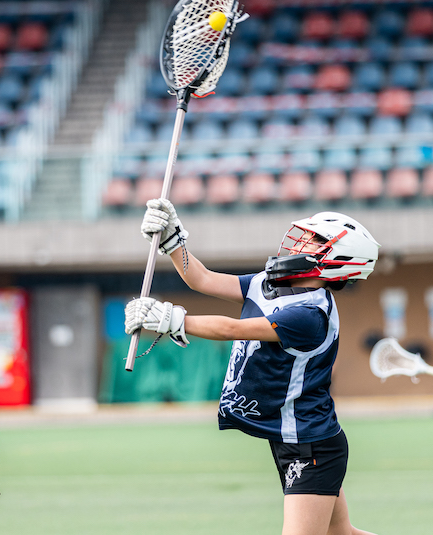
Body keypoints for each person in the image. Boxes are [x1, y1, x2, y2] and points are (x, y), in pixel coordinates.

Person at [125, 199, 380, 535]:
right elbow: (200, 279)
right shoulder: (270, 283)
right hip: (293, 438)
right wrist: (174, 241)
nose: (302, 242)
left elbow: (233, 329)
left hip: (311, 445)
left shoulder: (309, 315)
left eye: (315, 241)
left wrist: (172, 319)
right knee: (341, 534)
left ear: (337, 262)